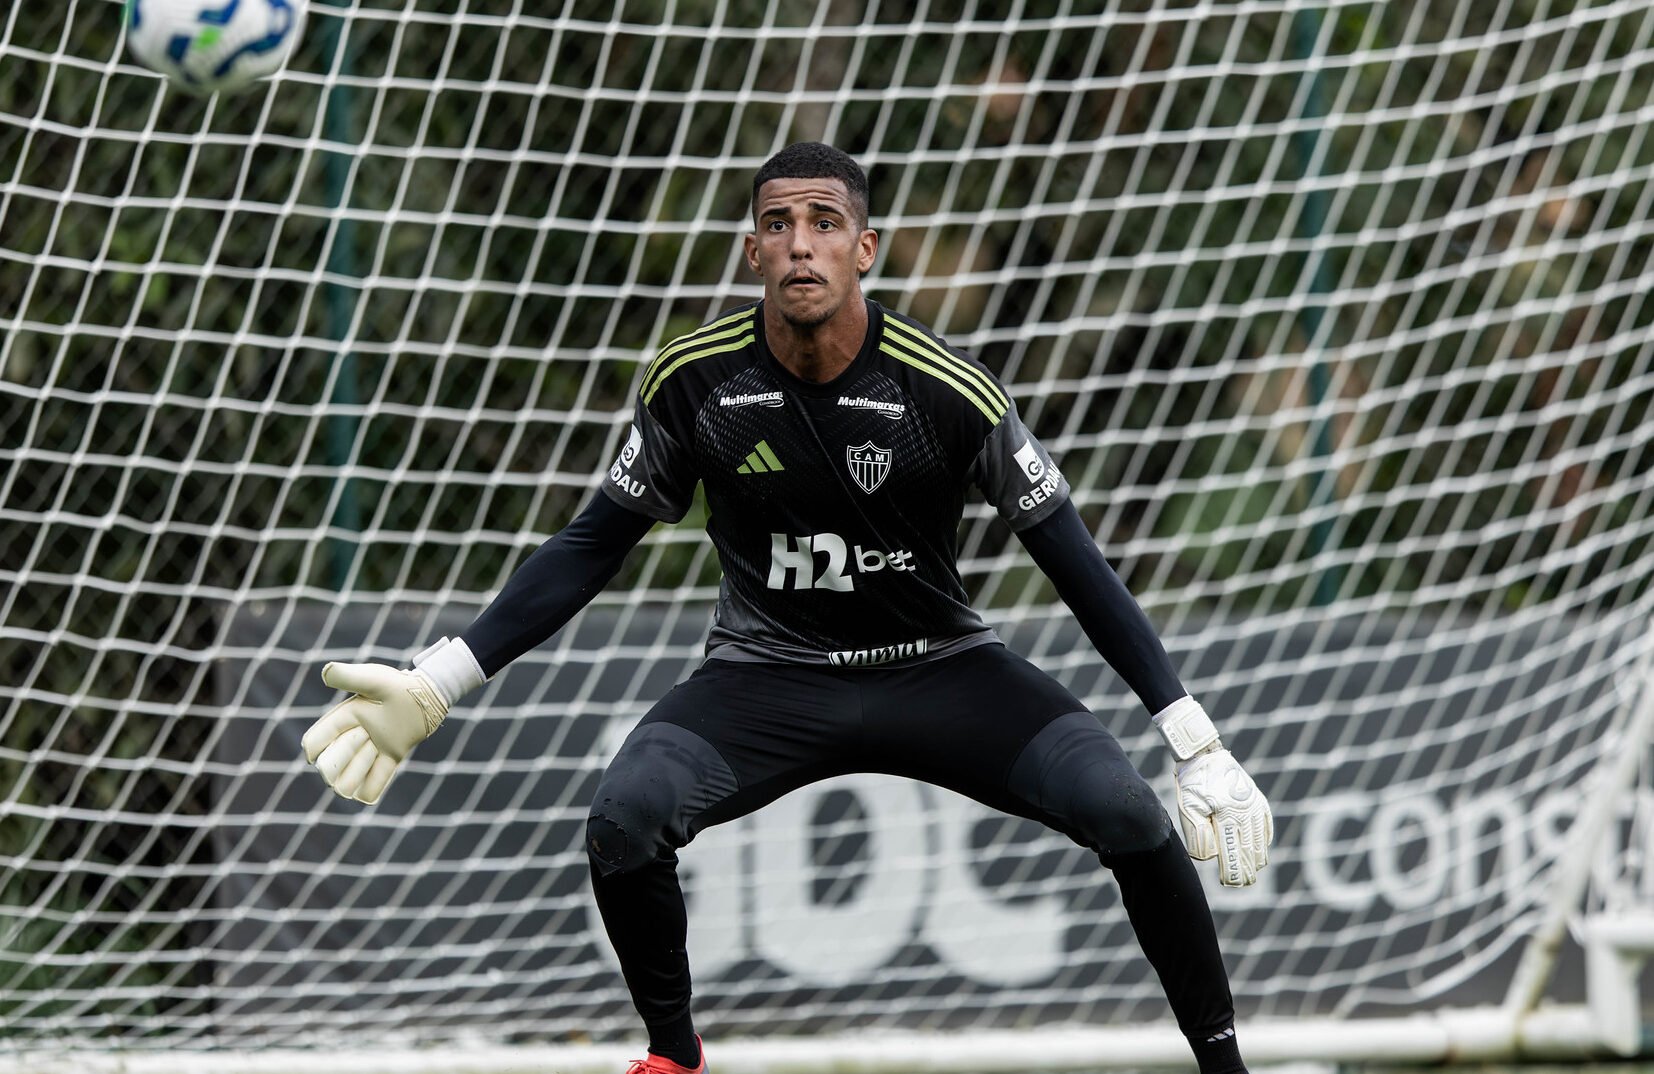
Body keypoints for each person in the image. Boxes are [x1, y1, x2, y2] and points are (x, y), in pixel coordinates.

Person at [301, 142, 1273, 1074]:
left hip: (940, 668)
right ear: (752, 252)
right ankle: (674, 1057)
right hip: (764, 679)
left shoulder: (947, 390)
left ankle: (1224, 1068)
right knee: (624, 820)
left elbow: (1075, 562)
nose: (800, 243)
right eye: (778, 224)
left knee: (1126, 812)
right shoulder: (697, 382)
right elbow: (591, 544)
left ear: (864, 249)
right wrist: (435, 684)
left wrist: (1192, 738)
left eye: (823, 222)